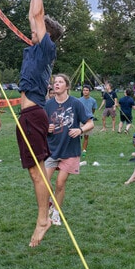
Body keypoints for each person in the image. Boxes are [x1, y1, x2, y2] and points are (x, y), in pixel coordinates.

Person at [15, 0, 62, 247]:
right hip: (27, 115)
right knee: (34, 172)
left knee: (38, 171)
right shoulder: (34, 49)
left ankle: (43, 219)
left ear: (47, 34)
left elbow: (37, 16)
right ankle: (43, 217)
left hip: (34, 114)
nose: (32, 29)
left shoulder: (46, 49)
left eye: (38, 28)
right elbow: (32, 16)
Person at [44, 74, 94, 226]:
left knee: (60, 183)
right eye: (55, 82)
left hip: (70, 150)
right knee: (44, 182)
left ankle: (56, 213)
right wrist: (47, 128)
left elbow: (90, 123)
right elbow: (42, 127)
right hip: (52, 149)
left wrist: (80, 130)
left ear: (67, 86)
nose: (56, 84)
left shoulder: (76, 103)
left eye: (60, 82)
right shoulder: (48, 105)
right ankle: (51, 201)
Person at [79, 85, 97, 158]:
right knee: (77, 136)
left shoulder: (93, 101)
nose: (85, 91)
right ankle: (77, 150)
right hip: (80, 120)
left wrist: (90, 116)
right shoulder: (79, 100)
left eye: (87, 90)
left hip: (88, 120)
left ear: (89, 91)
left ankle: (84, 151)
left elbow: (93, 110)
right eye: (84, 90)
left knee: (86, 136)